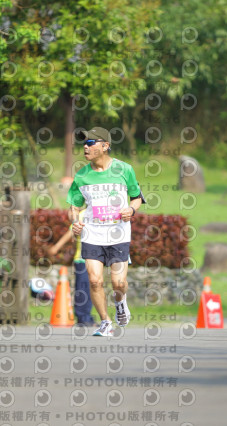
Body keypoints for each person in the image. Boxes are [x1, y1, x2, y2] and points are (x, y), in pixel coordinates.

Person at [67, 126, 143, 337]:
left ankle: (120, 303)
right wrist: (75, 222)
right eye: (84, 143)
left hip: (118, 233)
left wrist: (131, 209)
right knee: (94, 280)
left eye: (90, 143)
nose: (85, 147)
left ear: (105, 146)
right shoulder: (81, 176)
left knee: (118, 283)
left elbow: (137, 197)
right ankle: (105, 322)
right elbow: (74, 206)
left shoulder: (124, 169)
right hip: (92, 234)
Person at [46, 208, 96, 326]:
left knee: (87, 289)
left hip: (87, 260)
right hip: (86, 259)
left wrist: (56, 248)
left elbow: (70, 233)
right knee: (86, 289)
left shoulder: (83, 215)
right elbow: (73, 236)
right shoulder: (88, 214)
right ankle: (84, 317)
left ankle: (85, 317)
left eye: (72, 209)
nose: (69, 213)